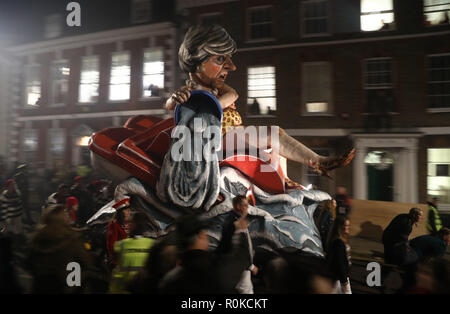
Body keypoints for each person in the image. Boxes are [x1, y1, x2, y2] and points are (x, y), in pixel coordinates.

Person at [165, 24, 355, 179]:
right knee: (271, 137)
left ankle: (292, 176)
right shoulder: (190, 92)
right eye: (221, 58)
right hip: (218, 140)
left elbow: (233, 95)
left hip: (235, 133)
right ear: (197, 61)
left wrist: (214, 104)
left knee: (274, 140)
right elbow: (171, 107)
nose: (231, 66)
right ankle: (316, 162)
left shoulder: (217, 89)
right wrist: (175, 99)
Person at [158, 214, 252, 294]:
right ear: (201, 235)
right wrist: (241, 231)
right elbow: (240, 259)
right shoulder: (213, 270)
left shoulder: (169, 279)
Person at [26, 205, 95, 293]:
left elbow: (28, 264)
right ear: (62, 220)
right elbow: (87, 262)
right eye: (65, 215)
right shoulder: (71, 240)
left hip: (40, 286)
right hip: (65, 286)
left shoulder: (37, 238)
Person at [216, 195, 257, 294]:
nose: (247, 208)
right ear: (238, 206)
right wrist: (250, 266)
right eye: (246, 205)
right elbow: (240, 246)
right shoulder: (236, 222)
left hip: (236, 265)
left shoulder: (233, 220)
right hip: (240, 265)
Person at [109, 212, 155, 293]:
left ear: (133, 225)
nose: (127, 225)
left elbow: (118, 274)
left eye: (129, 223)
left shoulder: (122, 245)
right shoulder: (152, 244)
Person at [326, 216, 352, 294]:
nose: (347, 227)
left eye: (348, 225)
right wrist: (344, 282)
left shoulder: (340, 239)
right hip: (339, 279)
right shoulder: (338, 242)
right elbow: (340, 263)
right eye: (345, 225)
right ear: (339, 227)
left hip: (338, 278)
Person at [106, 197, 132, 269]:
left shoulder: (130, 222)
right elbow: (111, 245)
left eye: (129, 209)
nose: (128, 211)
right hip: (119, 261)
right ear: (121, 212)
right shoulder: (114, 224)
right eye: (126, 209)